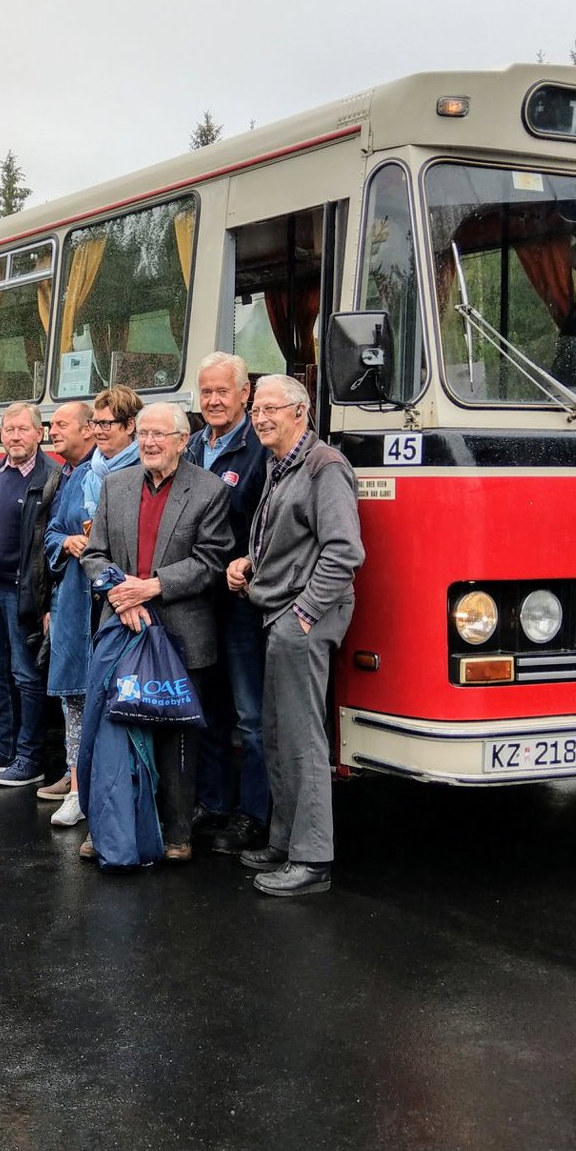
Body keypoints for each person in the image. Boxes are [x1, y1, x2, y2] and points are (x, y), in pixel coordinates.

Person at [225, 375, 364, 898]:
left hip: (303, 619)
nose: (260, 418)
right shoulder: (281, 466)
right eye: (256, 409)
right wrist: (247, 564)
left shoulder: (324, 466)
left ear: (301, 412)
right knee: (279, 733)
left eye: (270, 409)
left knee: (303, 740)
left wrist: (303, 613)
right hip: (279, 614)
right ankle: (284, 843)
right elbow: (285, 542)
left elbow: (344, 552)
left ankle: (311, 859)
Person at [79, 401, 233, 862]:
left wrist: (150, 588)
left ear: (183, 441)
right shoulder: (116, 484)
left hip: (181, 634)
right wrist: (121, 595)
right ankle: (111, 828)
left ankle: (177, 834)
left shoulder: (208, 491)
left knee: (176, 741)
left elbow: (211, 561)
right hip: (123, 627)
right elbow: (94, 554)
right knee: (116, 733)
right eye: (143, 433)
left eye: (158, 435)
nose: (148, 442)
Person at [185, 352, 272, 855]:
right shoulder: (192, 446)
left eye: (224, 391)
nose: (214, 400)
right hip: (197, 601)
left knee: (251, 716)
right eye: (207, 392)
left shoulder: (260, 449)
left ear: (246, 395)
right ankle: (213, 803)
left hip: (242, 604)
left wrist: (249, 564)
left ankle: (253, 814)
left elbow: (271, 523)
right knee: (208, 709)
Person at [42, 388, 141, 825]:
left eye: (106, 424)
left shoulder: (143, 470)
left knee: (122, 701)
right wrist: (67, 541)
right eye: (95, 424)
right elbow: (51, 533)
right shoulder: (83, 475)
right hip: (75, 602)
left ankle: (118, 795)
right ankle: (77, 788)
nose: (98, 432)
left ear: (129, 427)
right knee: (76, 701)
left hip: (118, 603)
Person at [0, 402, 59, 788]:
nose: (15, 437)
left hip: (24, 595)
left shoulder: (50, 476)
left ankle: (29, 756)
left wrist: (44, 601)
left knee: (26, 675)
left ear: (40, 433)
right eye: (9, 430)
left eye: (23, 429)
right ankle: (2, 747)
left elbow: (45, 545)